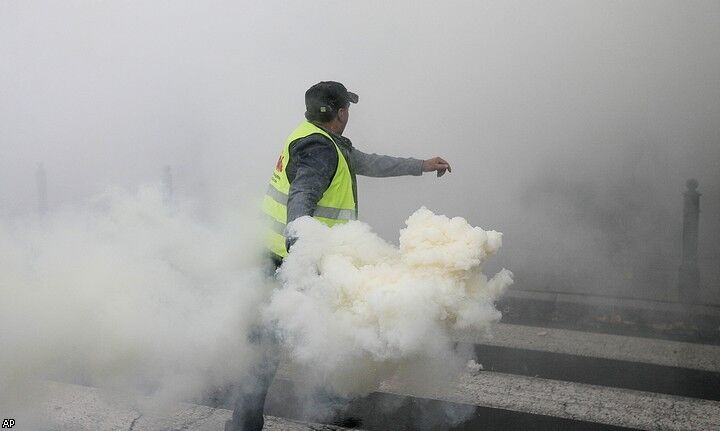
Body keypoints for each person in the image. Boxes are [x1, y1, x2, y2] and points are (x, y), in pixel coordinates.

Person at [226, 81, 451, 431]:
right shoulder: (320, 150)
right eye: (346, 106)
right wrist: (300, 256)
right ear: (337, 112)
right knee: (266, 353)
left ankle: (326, 406)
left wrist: (421, 165)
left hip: (287, 259)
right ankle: (244, 426)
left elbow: (368, 162)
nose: (349, 112)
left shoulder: (320, 139)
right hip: (288, 264)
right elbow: (300, 198)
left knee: (326, 336)